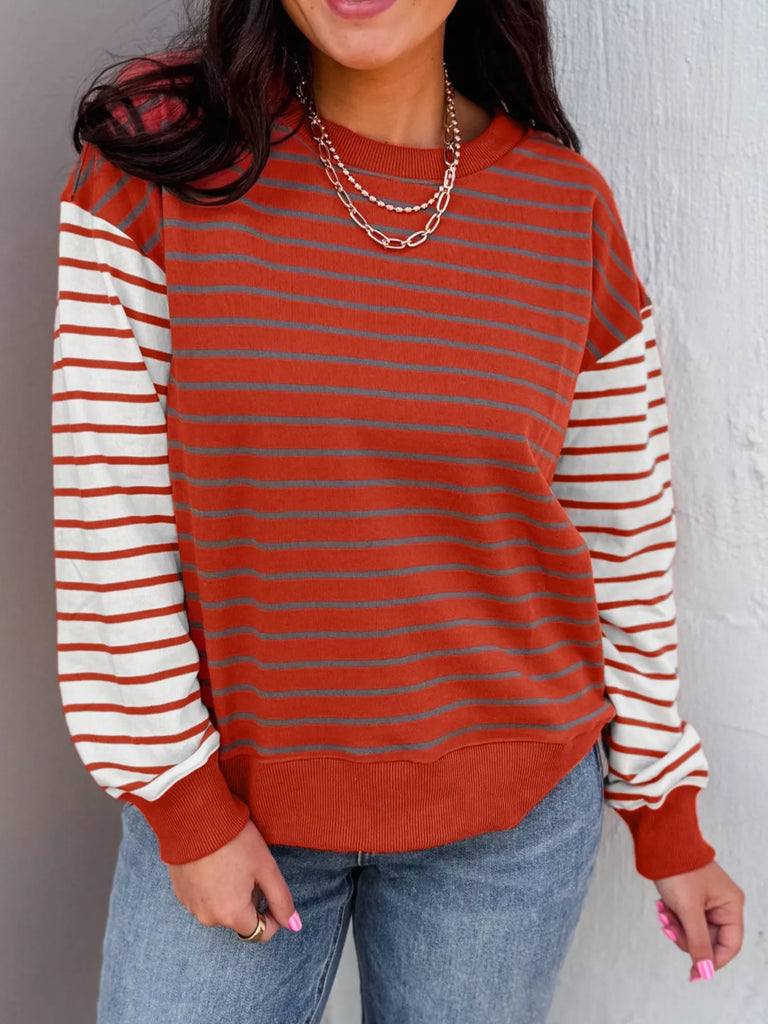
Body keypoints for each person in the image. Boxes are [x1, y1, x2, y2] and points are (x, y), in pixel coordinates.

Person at [50, 1, 745, 1021]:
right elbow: (111, 517)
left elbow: (620, 537)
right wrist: (186, 805)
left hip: (508, 825)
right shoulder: (159, 158)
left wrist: (665, 814)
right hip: (229, 796)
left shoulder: (566, 210)